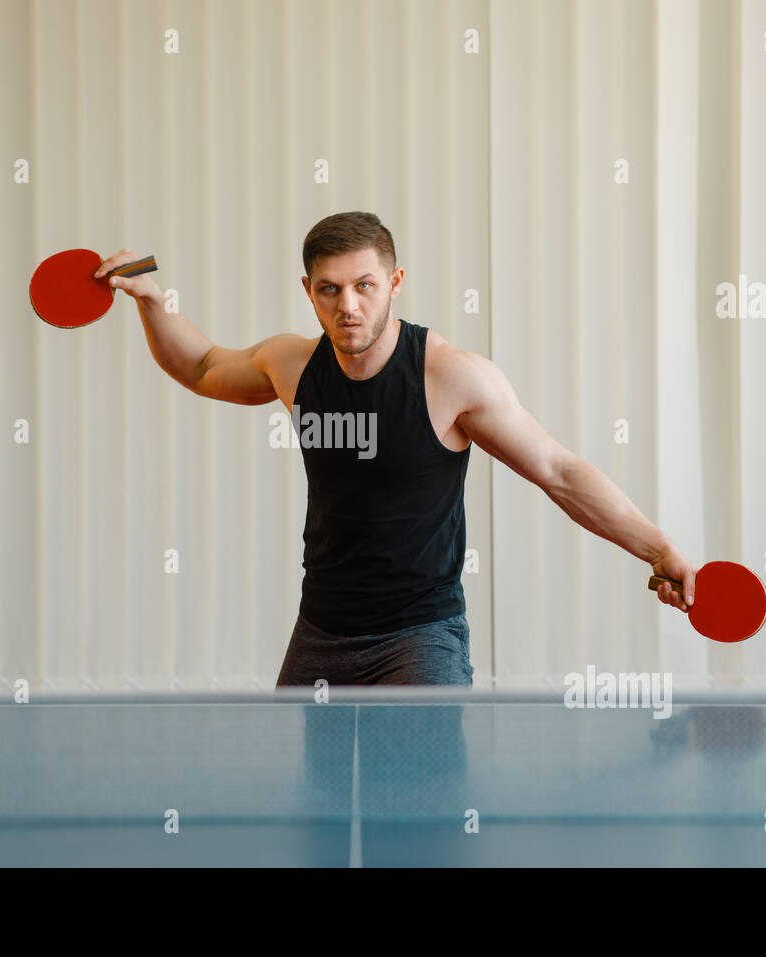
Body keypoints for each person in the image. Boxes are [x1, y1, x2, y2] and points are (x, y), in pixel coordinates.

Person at [97, 211, 697, 687]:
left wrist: (661, 549)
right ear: (308, 291)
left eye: (365, 286)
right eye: (329, 289)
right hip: (320, 632)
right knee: (312, 819)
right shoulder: (292, 364)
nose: (348, 305)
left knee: (422, 822)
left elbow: (558, 471)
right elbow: (202, 366)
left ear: (395, 284)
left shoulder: (451, 377)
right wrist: (153, 300)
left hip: (420, 637)